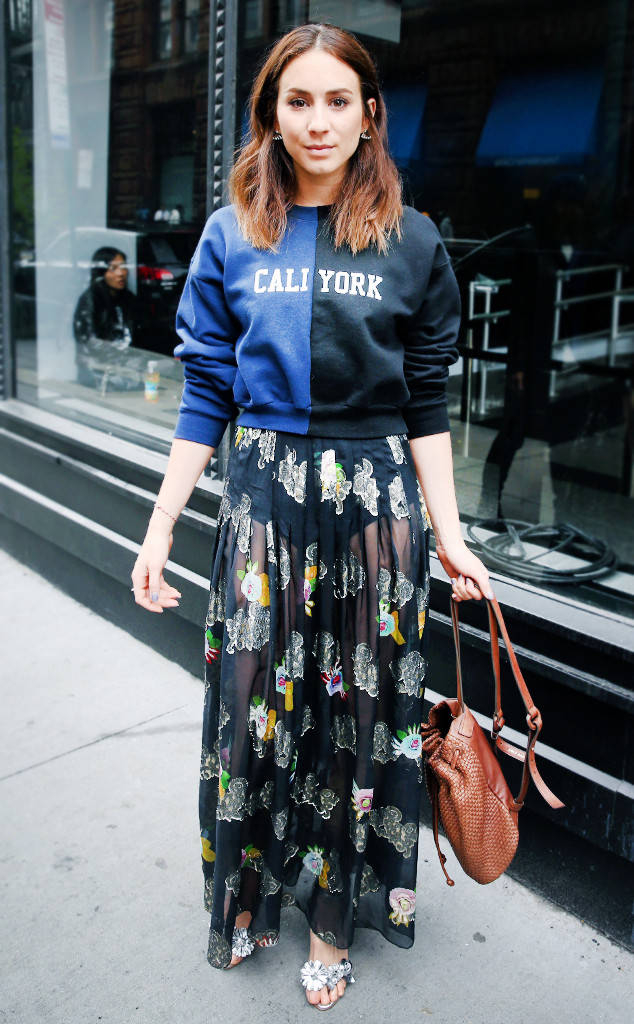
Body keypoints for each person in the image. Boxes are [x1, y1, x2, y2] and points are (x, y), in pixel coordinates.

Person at [131, 22, 494, 1011]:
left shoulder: (410, 240)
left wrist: (452, 534)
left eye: (339, 101)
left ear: (369, 114)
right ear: (272, 113)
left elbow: (426, 402)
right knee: (249, 709)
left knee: (358, 722)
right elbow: (207, 393)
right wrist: (160, 526)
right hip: (261, 499)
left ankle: (334, 921)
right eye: (299, 101)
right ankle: (248, 898)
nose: (318, 120)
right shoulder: (230, 233)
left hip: (373, 504)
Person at [73, 246, 143, 391]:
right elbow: (90, 341)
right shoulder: (91, 300)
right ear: (101, 272)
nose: (121, 273)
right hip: (99, 373)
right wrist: (123, 359)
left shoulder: (129, 299)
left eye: (123, 267)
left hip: (126, 371)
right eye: (113, 268)